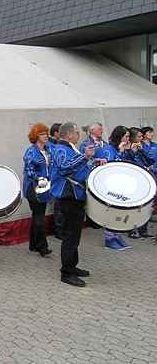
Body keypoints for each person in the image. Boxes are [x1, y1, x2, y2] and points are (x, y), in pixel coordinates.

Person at [50, 122, 106, 287]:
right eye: (76, 132)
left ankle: (72, 266)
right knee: (70, 236)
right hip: (68, 197)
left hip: (75, 197)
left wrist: (94, 161)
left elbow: (78, 166)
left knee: (75, 235)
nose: (78, 135)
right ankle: (66, 273)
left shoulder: (70, 148)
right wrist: (86, 157)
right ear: (68, 135)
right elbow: (64, 168)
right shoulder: (61, 149)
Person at [100, 126, 133, 250]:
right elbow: (111, 167)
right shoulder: (109, 149)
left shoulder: (122, 148)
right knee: (112, 211)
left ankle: (117, 235)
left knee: (120, 211)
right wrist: (120, 151)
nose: (127, 139)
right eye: (126, 136)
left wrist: (128, 151)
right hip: (110, 185)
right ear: (119, 137)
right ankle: (109, 238)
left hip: (120, 183)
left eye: (128, 136)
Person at [22, 124, 53, 257]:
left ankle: (33, 244)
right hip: (33, 187)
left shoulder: (48, 150)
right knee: (39, 215)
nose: (46, 135)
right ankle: (42, 246)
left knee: (37, 215)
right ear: (36, 136)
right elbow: (29, 170)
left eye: (46, 133)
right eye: (42, 134)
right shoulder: (30, 151)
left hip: (45, 186)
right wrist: (39, 177)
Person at [127, 127, 154, 238]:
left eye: (142, 136)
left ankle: (143, 230)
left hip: (144, 179)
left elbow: (150, 161)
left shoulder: (140, 147)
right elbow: (128, 162)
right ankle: (132, 230)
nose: (141, 138)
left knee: (145, 205)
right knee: (134, 207)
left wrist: (142, 150)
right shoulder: (127, 149)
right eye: (139, 136)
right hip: (133, 181)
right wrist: (132, 152)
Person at [48, 122, 63, 239]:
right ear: (56, 133)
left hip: (60, 179)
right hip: (54, 179)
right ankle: (58, 230)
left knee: (60, 206)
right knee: (57, 206)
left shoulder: (58, 145)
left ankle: (60, 228)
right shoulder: (49, 146)